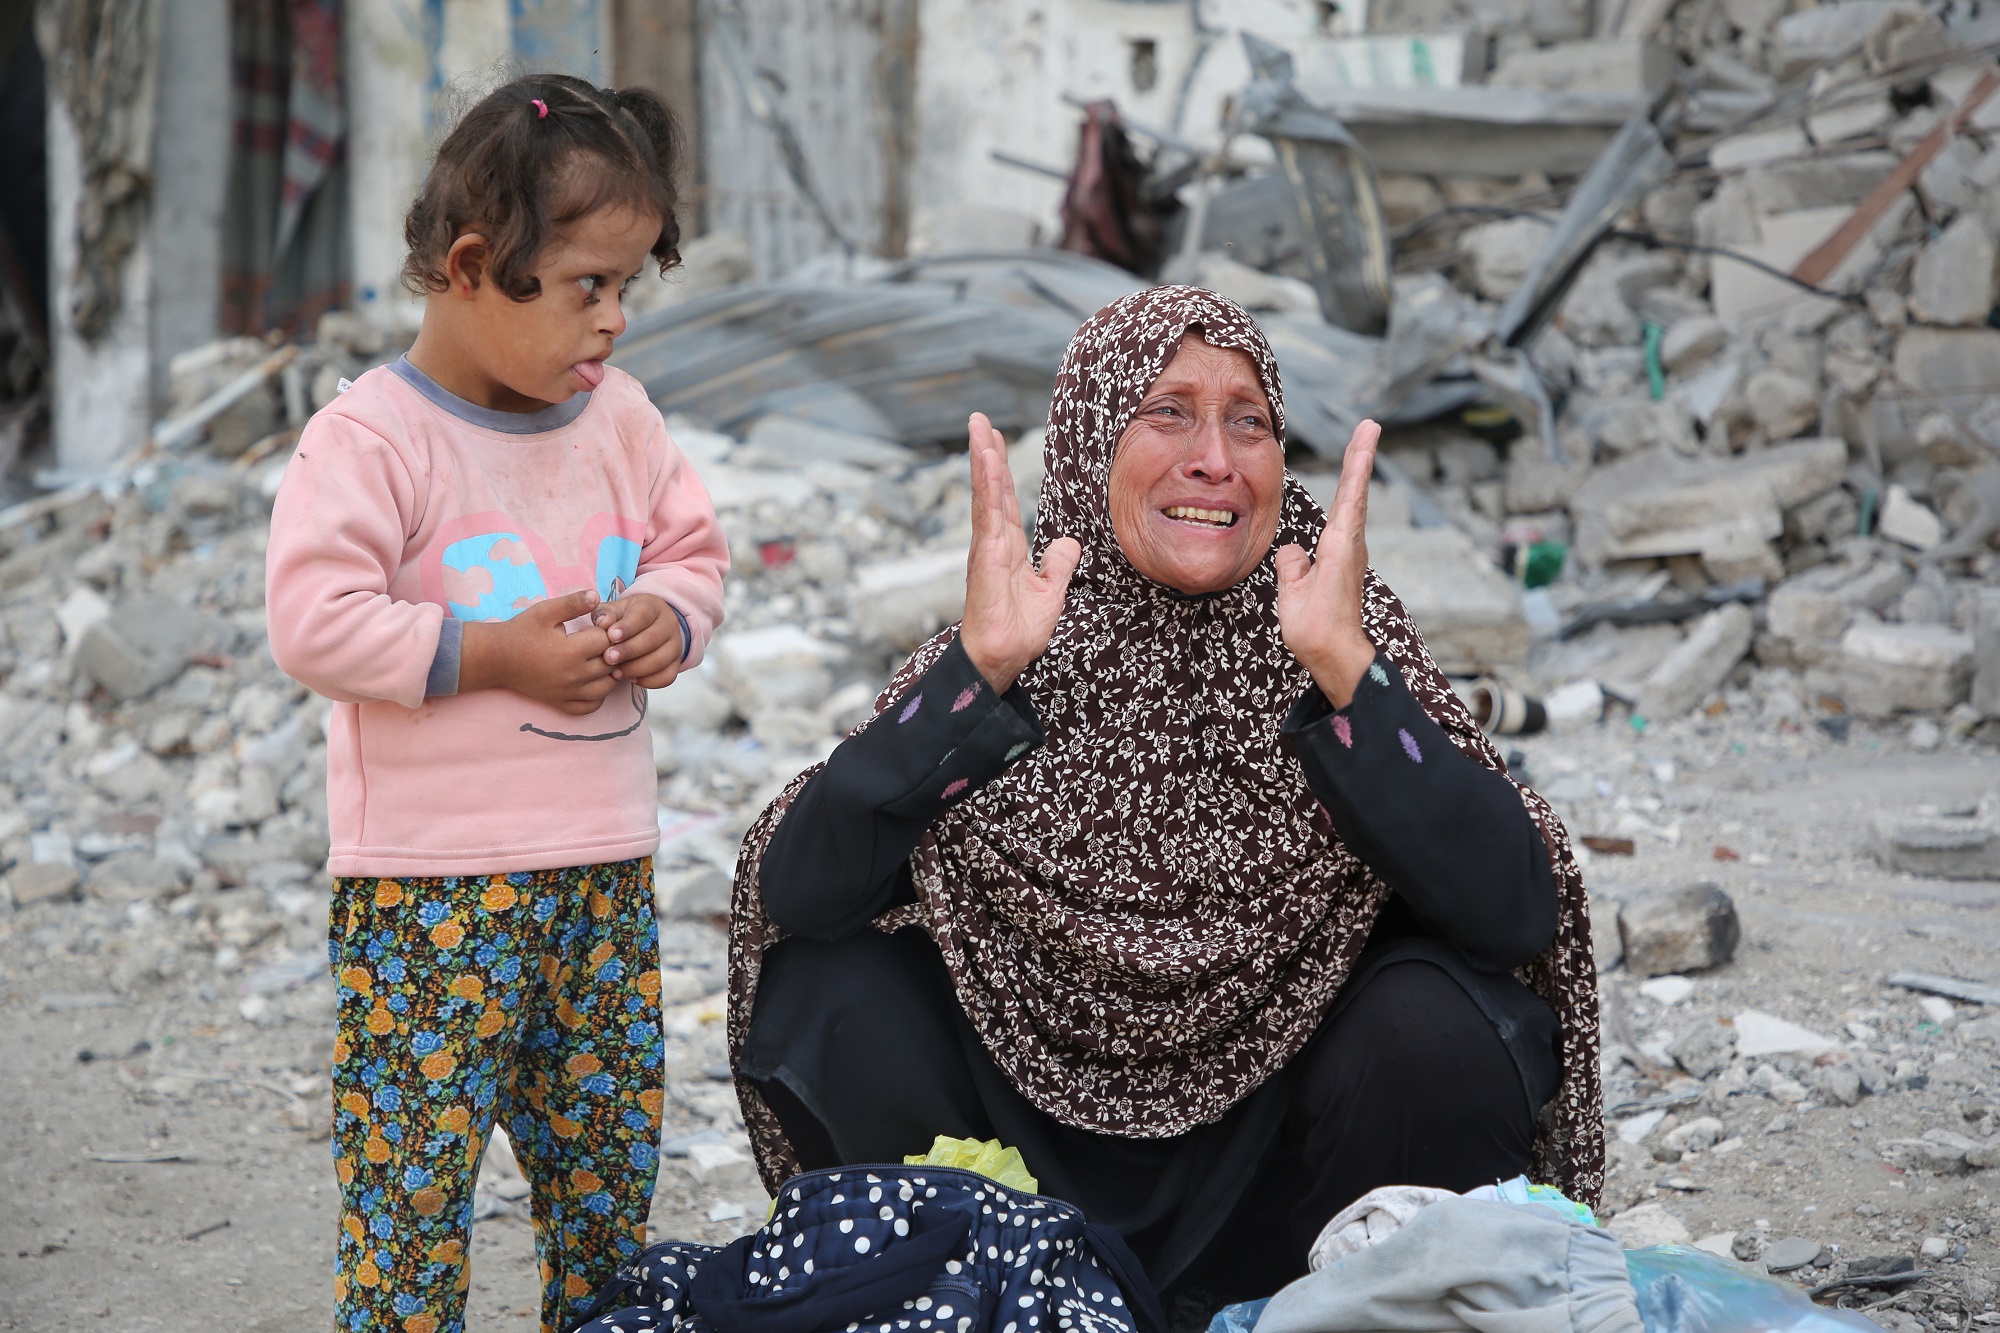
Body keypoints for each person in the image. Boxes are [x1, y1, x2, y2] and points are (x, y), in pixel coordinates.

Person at [726, 286, 1600, 1301]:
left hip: (1293, 1204)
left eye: (1249, 422)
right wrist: (972, 678)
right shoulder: (1019, 630)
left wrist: (1345, 678)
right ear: (1089, 439)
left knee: (1442, 1024)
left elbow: (1513, 913)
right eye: (1167, 411)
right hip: (1024, 1194)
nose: (1215, 460)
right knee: (832, 991)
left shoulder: (1330, 629)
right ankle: (974, 1303)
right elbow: (799, 891)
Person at [265, 74, 728, 1333]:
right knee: (410, 1211)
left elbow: (694, 554)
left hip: (599, 882)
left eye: (629, 286)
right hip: (428, 899)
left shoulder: (617, 420)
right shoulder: (371, 440)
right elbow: (313, 620)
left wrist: (668, 618)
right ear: (473, 265)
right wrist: (493, 657)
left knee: (605, 1195)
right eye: (589, 285)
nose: (615, 320)